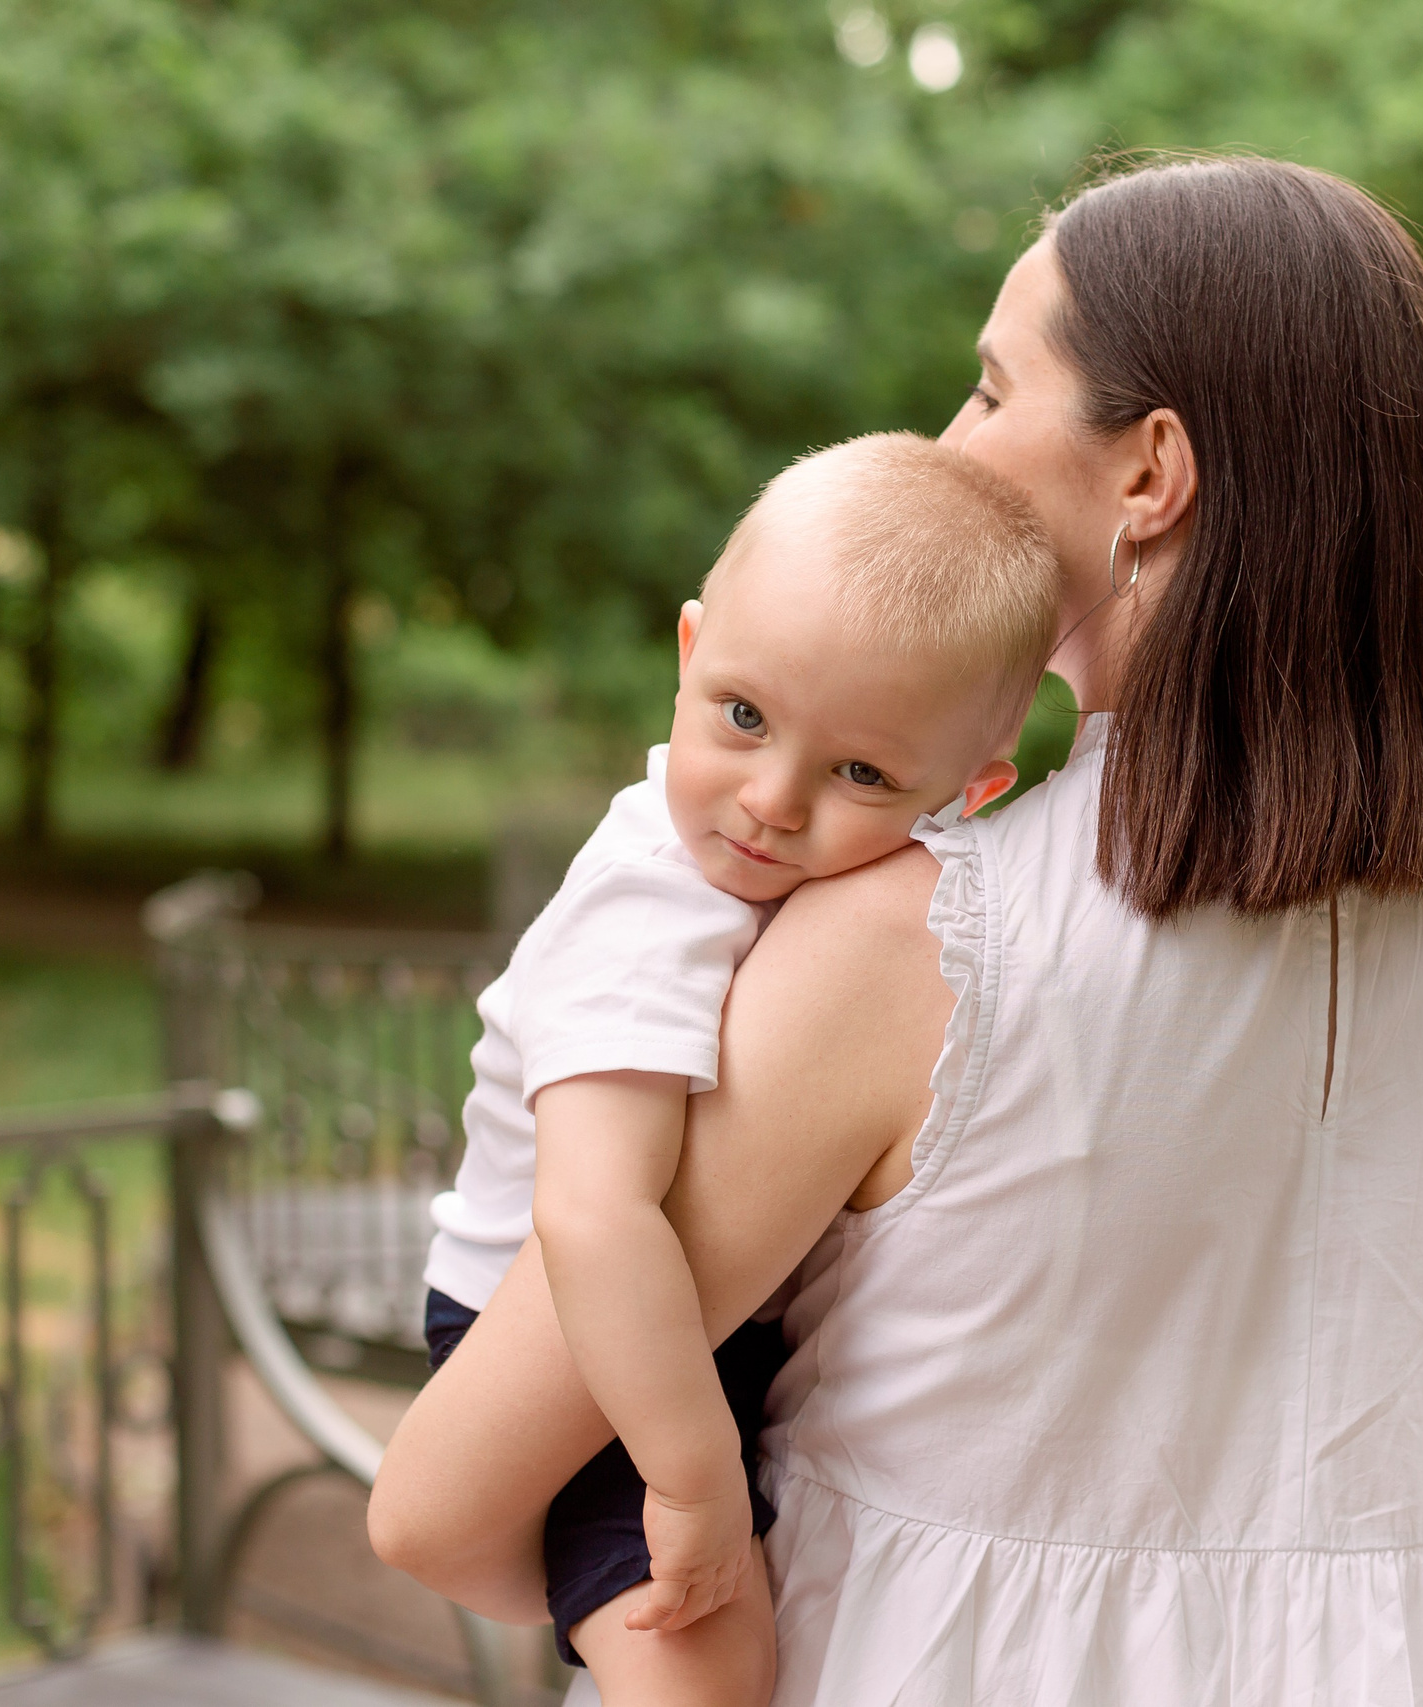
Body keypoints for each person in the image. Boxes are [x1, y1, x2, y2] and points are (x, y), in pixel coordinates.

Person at [371, 154, 1423, 1706]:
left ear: (1151, 471)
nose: (949, 444)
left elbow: (440, 1500)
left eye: (990, 389)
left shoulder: (923, 946)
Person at [418, 431, 1060, 1705]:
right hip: (578, 1339)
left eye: (861, 773)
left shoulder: (884, 900)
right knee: (702, 1677)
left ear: (971, 794)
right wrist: (688, 1468)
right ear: (689, 652)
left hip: (712, 1319)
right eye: (744, 716)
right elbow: (593, 1213)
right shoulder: (646, 909)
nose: (770, 799)